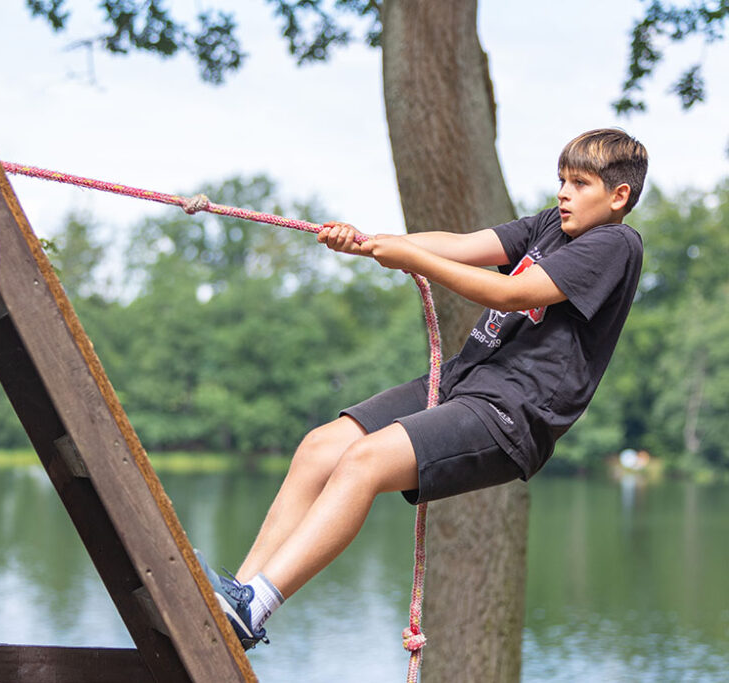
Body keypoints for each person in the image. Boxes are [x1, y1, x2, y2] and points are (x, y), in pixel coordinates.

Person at [195, 128, 649, 650]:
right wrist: (370, 242)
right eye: (561, 180)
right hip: (462, 381)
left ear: (618, 196)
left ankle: (261, 603)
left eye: (580, 183)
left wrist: (410, 259)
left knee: (363, 462)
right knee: (322, 446)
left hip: (510, 412)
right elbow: (462, 246)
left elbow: (510, 291)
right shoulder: (550, 225)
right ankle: (239, 599)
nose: (563, 192)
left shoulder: (615, 244)